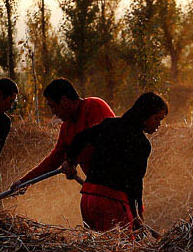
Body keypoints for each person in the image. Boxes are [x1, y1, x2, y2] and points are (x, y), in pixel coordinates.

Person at [62, 92, 168, 233]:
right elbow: (134, 183)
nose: (158, 125)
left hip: (88, 199)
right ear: (144, 116)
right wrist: (137, 214)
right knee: (123, 251)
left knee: (98, 250)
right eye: (157, 119)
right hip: (111, 203)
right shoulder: (141, 144)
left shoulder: (109, 124)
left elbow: (80, 138)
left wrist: (70, 160)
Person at [11, 78, 115, 189]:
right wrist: (24, 181)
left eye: (53, 106)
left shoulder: (94, 106)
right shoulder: (66, 127)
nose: (53, 112)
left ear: (64, 101)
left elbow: (104, 144)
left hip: (118, 179)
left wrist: (71, 160)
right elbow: (55, 159)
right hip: (99, 186)